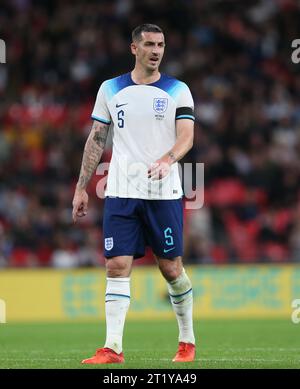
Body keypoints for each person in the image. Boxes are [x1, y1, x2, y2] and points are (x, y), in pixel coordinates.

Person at [72, 23, 196, 364]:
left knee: (171, 269)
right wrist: (82, 187)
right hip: (121, 190)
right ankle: (112, 347)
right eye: (150, 44)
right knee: (116, 265)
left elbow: (187, 136)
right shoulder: (111, 89)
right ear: (134, 48)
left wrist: (168, 159)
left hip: (164, 192)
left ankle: (187, 340)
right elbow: (97, 137)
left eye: (161, 44)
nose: (156, 50)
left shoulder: (178, 90)